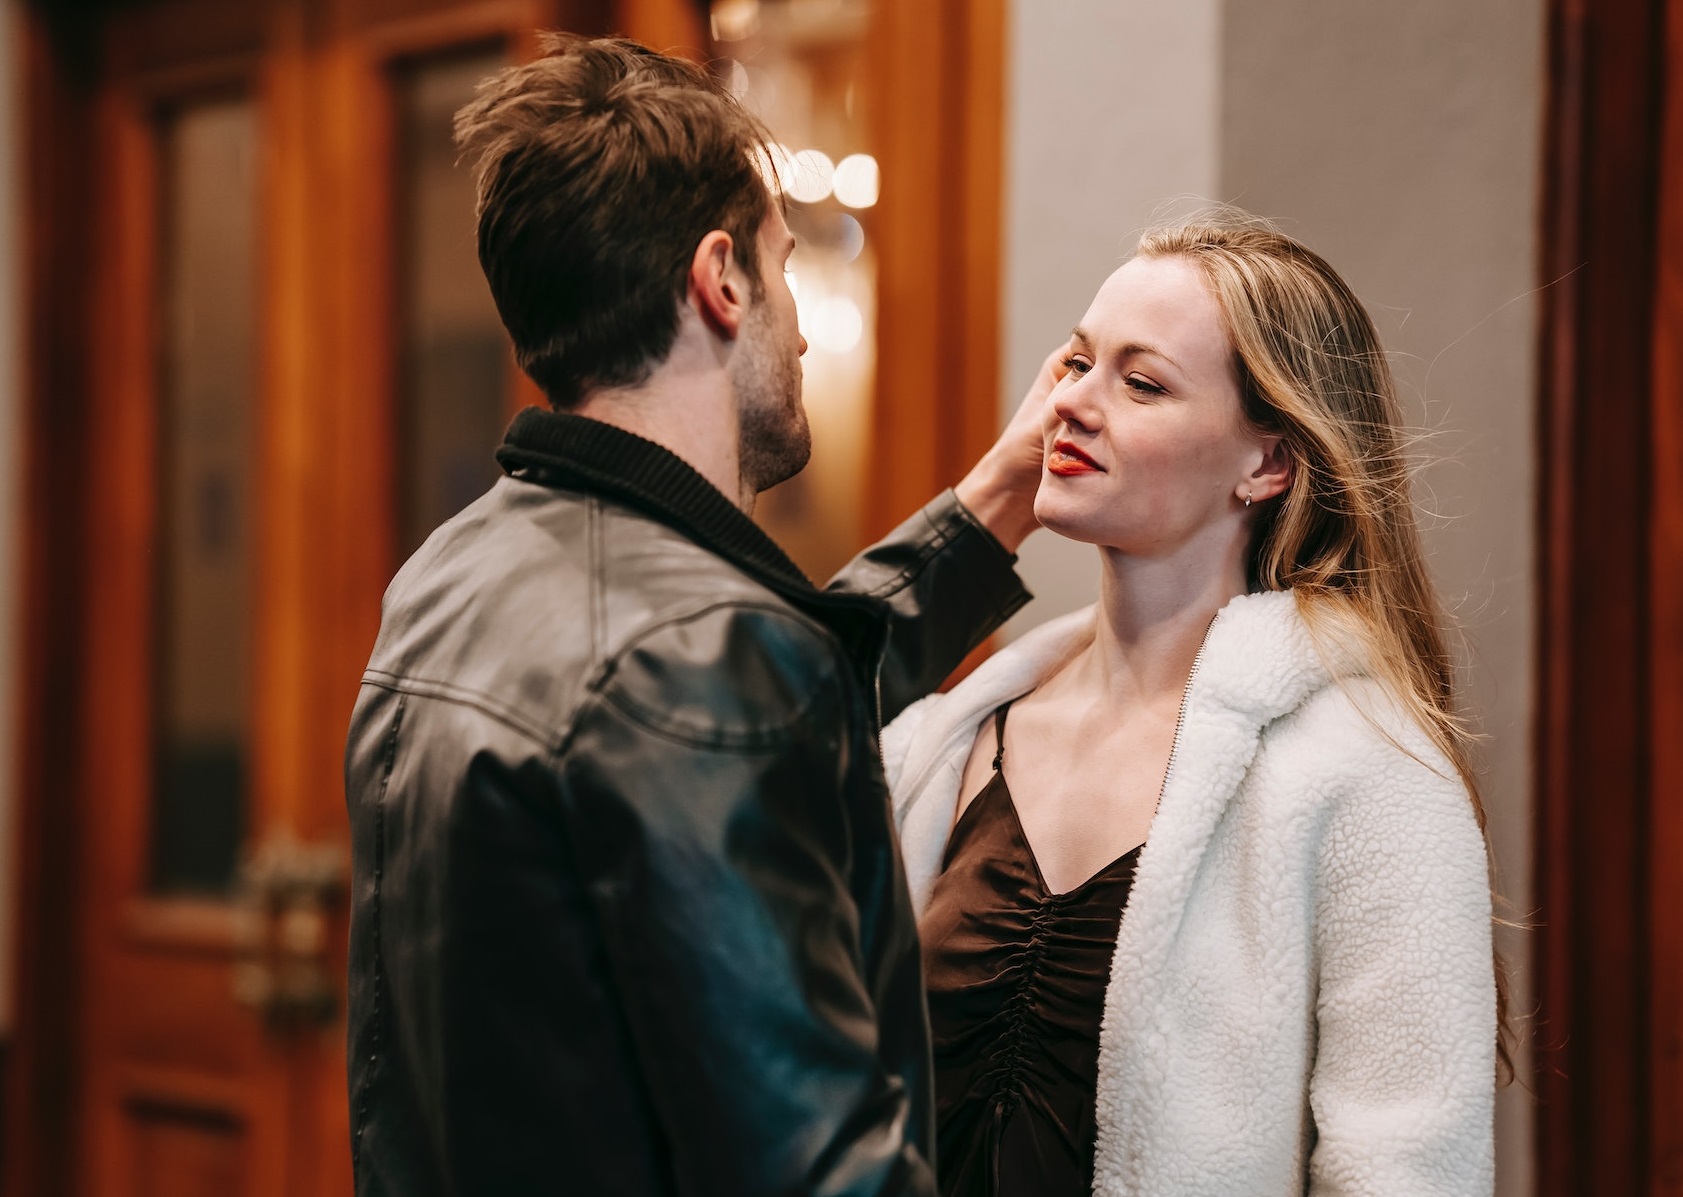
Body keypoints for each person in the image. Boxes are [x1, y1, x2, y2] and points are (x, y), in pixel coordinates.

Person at [342, 35, 1050, 1197]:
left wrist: (986, 517)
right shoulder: (702, 659)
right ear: (720, 280)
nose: (805, 326)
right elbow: (816, 1167)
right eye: (784, 265)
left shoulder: (449, 575)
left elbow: (756, 697)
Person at [883, 215, 1501, 1196]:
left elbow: (1407, 1169)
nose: (1072, 405)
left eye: (1142, 382)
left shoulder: (1369, 775)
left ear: (1268, 463)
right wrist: (1000, 484)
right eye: (1074, 364)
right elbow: (759, 735)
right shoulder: (941, 745)